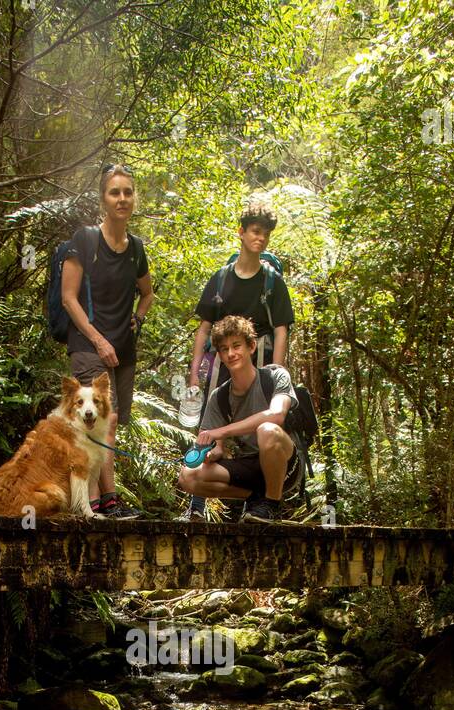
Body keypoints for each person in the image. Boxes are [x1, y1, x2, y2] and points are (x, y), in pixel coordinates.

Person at [182, 198, 294, 519]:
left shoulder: (272, 282)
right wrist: (195, 375)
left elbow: (282, 328)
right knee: (209, 426)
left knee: (263, 427)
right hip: (221, 366)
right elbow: (204, 330)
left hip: (259, 367)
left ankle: (262, 500)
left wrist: (278, 370)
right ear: (241, 233)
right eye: (255, 231)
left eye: (266, 234)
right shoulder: (221, 279)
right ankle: (197, 507)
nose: (260, 238)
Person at [61, 163, 154, 517]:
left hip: (123, 350)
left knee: (110, 423)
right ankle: (105, 501)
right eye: (115, 192)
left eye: (128, 192)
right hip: (89, 345)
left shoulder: (136, 248)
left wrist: (137, 320)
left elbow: (147, 294)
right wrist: (99, 341)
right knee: (100, 421)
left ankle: (98, 502)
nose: (122, 199)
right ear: (103, 199)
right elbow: (69, 298)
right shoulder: (85, 240)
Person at [177, 315, 299, 523]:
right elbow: (217, 448)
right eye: (224, 349)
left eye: (236, 346)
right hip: (249, 467)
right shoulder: (220, 397)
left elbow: (277, 415)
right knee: (188, 476)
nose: (231, 353)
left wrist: (222, 431)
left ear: (251, 347)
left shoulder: (276, 377)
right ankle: (255, 498)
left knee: (267, 429)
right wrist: (211, 453)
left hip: (286, 465)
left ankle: (272, 505)